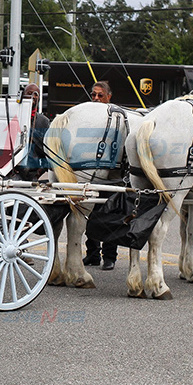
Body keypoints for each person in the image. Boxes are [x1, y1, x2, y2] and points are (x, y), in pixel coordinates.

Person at [83, 81, 118, 270]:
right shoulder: (86, 117)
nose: (95, 98)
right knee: (89, 215)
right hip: (90, 173)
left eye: (100, 95)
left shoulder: (116, 117)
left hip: (111, 174)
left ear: (109, 97)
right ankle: (92, 254)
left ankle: (110, 256)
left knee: (110, 216)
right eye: (93, 95)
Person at [19, 83, 50, 181]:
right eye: (30, 93)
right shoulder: (15, 117)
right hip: (13, 173)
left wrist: (40, 171)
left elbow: (48, 151)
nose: (33, 96)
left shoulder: (44, 121)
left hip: (34, 175)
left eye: (36, 94)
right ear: (23, 95)